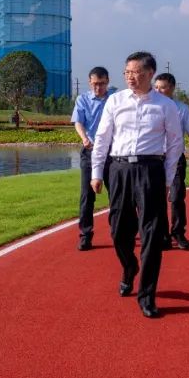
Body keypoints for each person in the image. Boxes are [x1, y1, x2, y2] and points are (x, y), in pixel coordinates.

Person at [91, 52, 186, 319]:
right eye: (127, 72)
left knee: (152, 234)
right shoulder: (115, 101)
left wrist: (167, 178)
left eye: (136, 72)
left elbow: (175, 143)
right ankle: (129, 266)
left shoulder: (165, 105)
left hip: (150, 170)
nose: (131, 77)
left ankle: (147, 294)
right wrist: (96, 172)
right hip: (119, 169)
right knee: (118, 230)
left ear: (150, 73)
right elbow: (102, 138)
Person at [153, 73, 189, 250]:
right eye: (156, 87)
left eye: (163, 87)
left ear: (172, 88)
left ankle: (178, 232)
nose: (158, 91)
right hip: (155, 158)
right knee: (156, 198)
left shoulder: (182, 109)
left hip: (176, 158)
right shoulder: (151, 107)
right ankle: (162, 234)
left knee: (177, 196)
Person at [70, 66, 111, 250]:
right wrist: (84, 137)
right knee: (87, 195)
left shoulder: (114, 99)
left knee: (118, 194)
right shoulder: (83, 99)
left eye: (101, 84)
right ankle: (85, 235)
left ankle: (118, 229)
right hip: (90, 151)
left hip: (112, 153)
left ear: (107, 82)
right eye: (95, 84)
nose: (98, 88)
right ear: (89, 82)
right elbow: (78, 122)